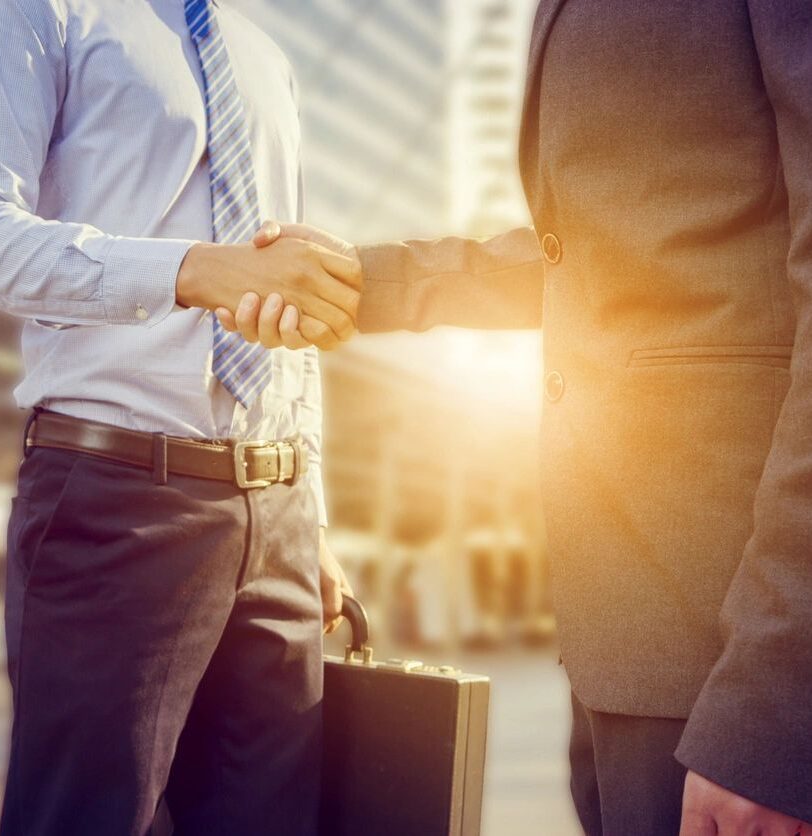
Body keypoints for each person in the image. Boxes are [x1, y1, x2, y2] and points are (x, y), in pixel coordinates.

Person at [227, 2, 812, 833]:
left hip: (736, 657)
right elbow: (584, 253)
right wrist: (359, 283)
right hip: (628, 633)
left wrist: (774, 712)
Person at [0, 1, 359, 833]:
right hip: (114, 502)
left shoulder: (262, 56)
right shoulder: (37, 11)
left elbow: (290, 308)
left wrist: (312, 519)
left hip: (278, 517)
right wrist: (190, 270)